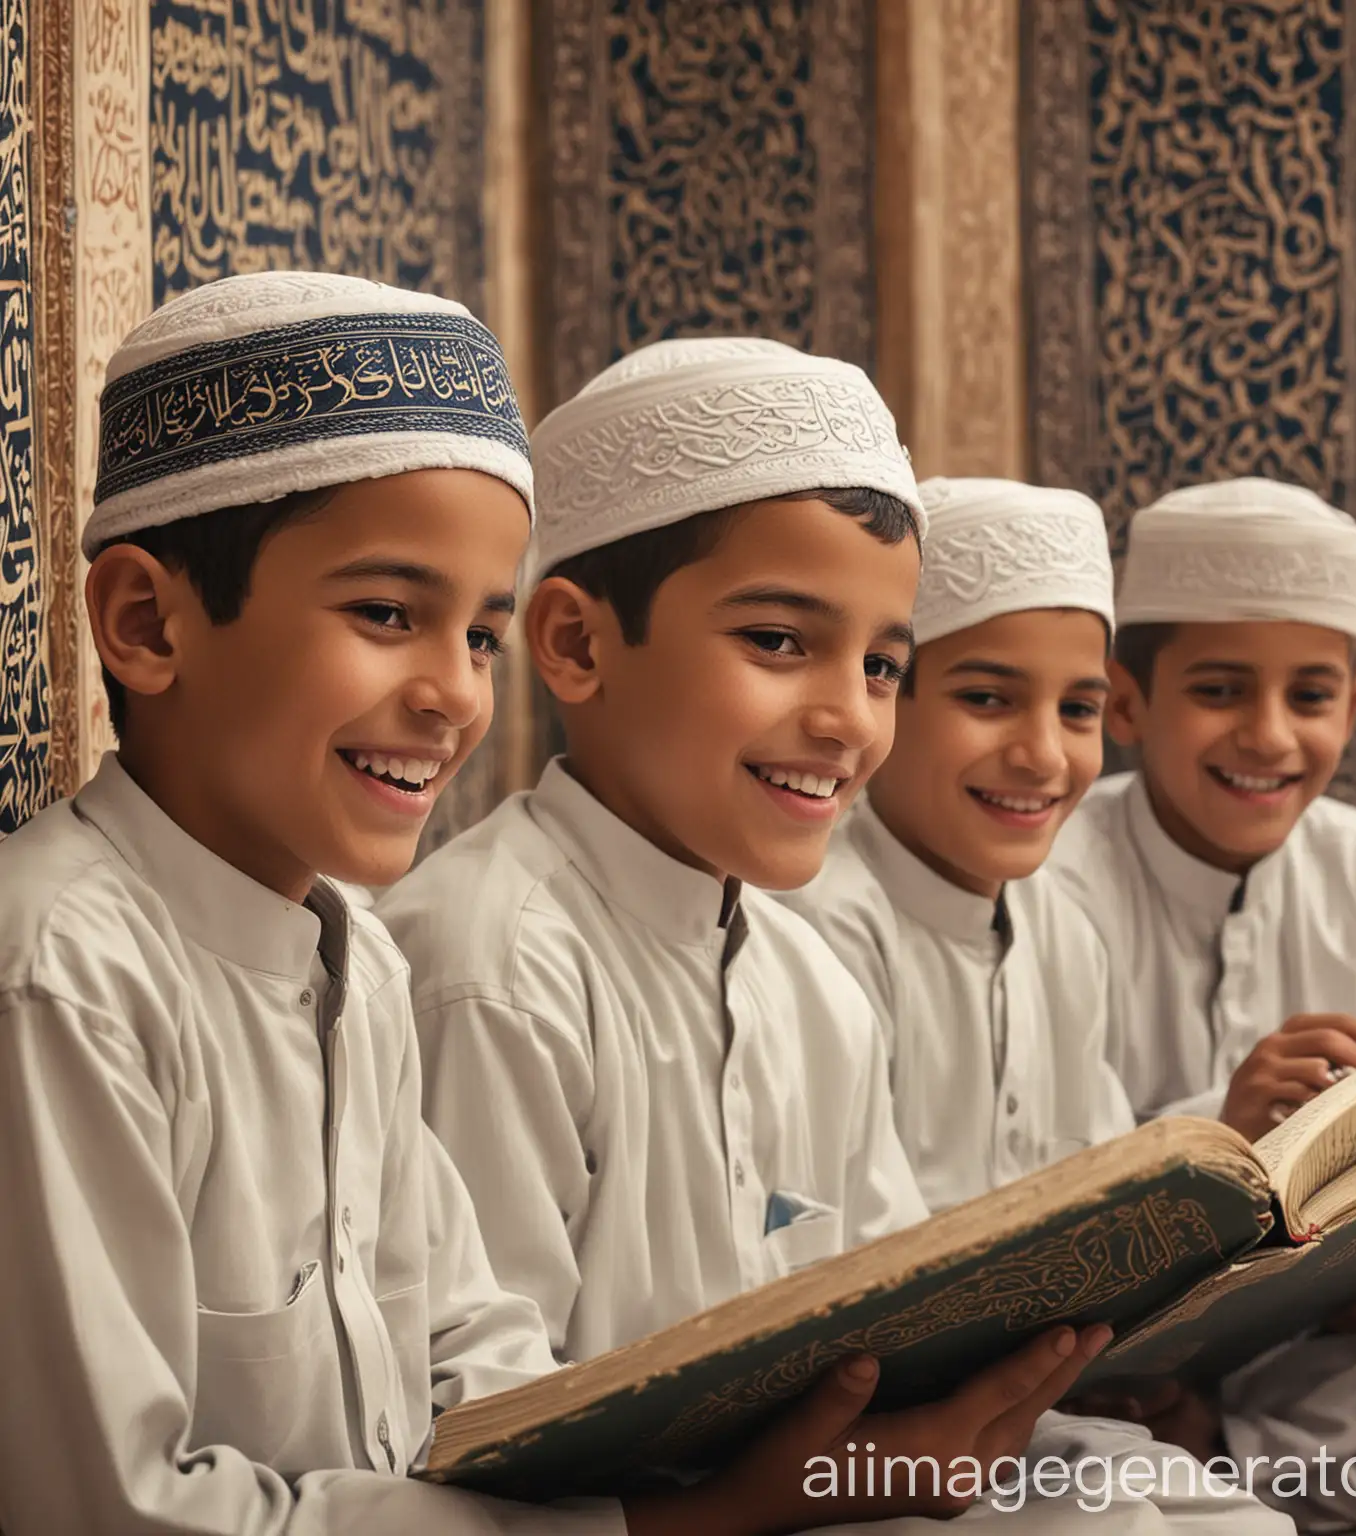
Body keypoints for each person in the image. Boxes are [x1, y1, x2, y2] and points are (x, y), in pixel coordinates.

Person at [382, 343, 1292, 1534]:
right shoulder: (490, 967)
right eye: (777, 642)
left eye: (880, 666)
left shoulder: (800, 976)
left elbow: (892, 1313)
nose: (846, 719)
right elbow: (492, 1448)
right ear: (576, 644)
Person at [0, 272, 855, 1536]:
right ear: (146, 623)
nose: (455, 696)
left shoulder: (360, 968)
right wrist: (696, 1521)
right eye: (389, 614)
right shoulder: (63, 974)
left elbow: (472, 1345)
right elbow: (118, 1509)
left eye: (480, 638)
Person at [1050, 476, 1356, 1530]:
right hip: (1122, 1340)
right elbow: (1037, 1184)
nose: (1269, 736)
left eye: (1309, 698)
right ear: (1129, 702)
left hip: (1331, 1339)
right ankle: (1221, 1451)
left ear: (1354, 705)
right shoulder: (1053, 885)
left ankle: (1225, 1448)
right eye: (1221, 690)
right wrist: (1221, 1135)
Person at [779, 475, 1133, 1214]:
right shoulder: (817, 930)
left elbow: (1109, 1187)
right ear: (884, 695)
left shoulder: (1065, 932)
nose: (1043, 755)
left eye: (1078, 709)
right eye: (986, 699)